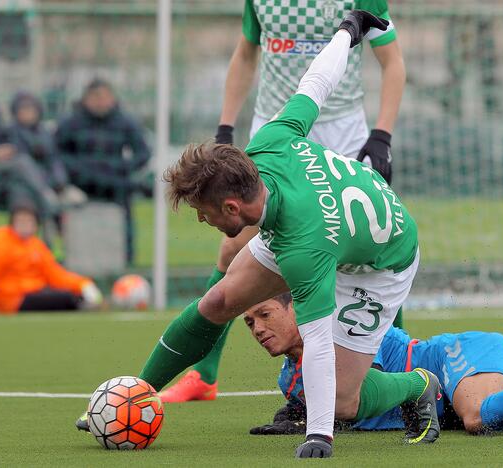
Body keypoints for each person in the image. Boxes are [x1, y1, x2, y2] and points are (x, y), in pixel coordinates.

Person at [78, 12, 440, 459]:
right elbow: (316, 83)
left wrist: (319, 436)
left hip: (382, 262)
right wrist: (347, 32)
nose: (202, 220)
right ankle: (131, 397)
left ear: (232, 207)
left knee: (345, 401)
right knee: (217, 301)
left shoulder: (304, 248)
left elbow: (319, 344)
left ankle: (418, 385)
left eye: (204, 213)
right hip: (318, 225)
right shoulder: (268, 141)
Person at [161, 0, 406, 403]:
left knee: (370, 248)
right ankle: (204, 375)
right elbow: (245, 55)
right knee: (232, 250)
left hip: (340, 128)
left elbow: (392, 61)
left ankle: (395, 360)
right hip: (276, 124)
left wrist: (382, 134)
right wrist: (225, 127)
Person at [243, 293, 503, 436]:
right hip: (465, 385)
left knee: (477, 414)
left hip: (455, 359)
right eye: (248, 322)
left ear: (296, 307)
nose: (258, 328)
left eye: (265, 314)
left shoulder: (345, 329)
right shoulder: (291, 380)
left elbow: (359, 389)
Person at [54, 78, 151, 264]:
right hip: (81, 186)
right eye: (95, 97)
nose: (100, 101)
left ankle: (126, 263)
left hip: (114, 185)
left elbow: (143, 152)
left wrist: (121, 168)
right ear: (86, 98)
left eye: (105, 97)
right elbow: (57, 153)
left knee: (125, 225)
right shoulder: (71, 122)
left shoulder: (125, 122)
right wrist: (80, 170)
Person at [0, 201, 103, 315]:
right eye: (21, 221)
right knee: (65, 298)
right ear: (12, 224)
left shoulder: (36, 245)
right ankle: (81, 303)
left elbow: (55, 275)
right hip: (12, 300)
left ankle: (83, 301)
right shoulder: (3, 245)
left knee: (65, 295)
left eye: (28, 221)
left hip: (34, 293)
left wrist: (82, 284)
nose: (24, 225)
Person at [0, 74, 61, 220]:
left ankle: (38, 230)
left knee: (22, 185)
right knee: (22, 163)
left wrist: (7, 149)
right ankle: (47, 196)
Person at [6, 91, 86, 208]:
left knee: (57, 162)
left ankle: (63, 189)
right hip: (29, 177)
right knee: (24, 162)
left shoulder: (44, 131)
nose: (28, 113)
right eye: (23, 109)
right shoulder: (11, 131)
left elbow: (52, 156)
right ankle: (47, 193)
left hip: (48, 173)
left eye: (31, 109)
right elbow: (23, 156)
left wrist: (59, 180)